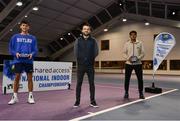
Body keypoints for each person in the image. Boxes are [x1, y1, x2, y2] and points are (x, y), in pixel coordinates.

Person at [8, 20, 38, 105]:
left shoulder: (33, 38)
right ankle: (14, 97)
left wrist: (32, 54)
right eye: (23, 25)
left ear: (29, 27)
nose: (25, 27)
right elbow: (10, 48)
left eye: (26, 26)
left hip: (29, 61)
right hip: (18, 60)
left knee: (30, 78)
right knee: (17, 78)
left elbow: (35, 49)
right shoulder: (15, 37)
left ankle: (30, 97)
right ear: (20, 26)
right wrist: (15, 53)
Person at [73, 23, 99, 108]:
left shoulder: (93, 40)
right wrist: (81, 59)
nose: (86, 30)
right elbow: (75, 52)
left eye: (88, 29)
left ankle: (92, 101)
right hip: (80, 66)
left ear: (90, 31)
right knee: (78, 84)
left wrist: (90, 59)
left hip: (90, 66)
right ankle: (77, 101)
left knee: (92, 84)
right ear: (82, 30)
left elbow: (96, 52)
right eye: (84, 29)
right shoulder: (78, 40)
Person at [123, 30, 145, 99]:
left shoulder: (140, 43)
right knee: (127, 79)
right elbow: (123, 53)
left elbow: (143, 53)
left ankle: (141, 93)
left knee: (140, 79)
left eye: (134, 34)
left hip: (138, 64)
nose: (133, 36)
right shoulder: (126, 43)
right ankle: (126, 93)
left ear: (136, 35)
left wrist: (137, 58)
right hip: (128, 64)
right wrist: (128, 58)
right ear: (130, 36)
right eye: (131, 35)